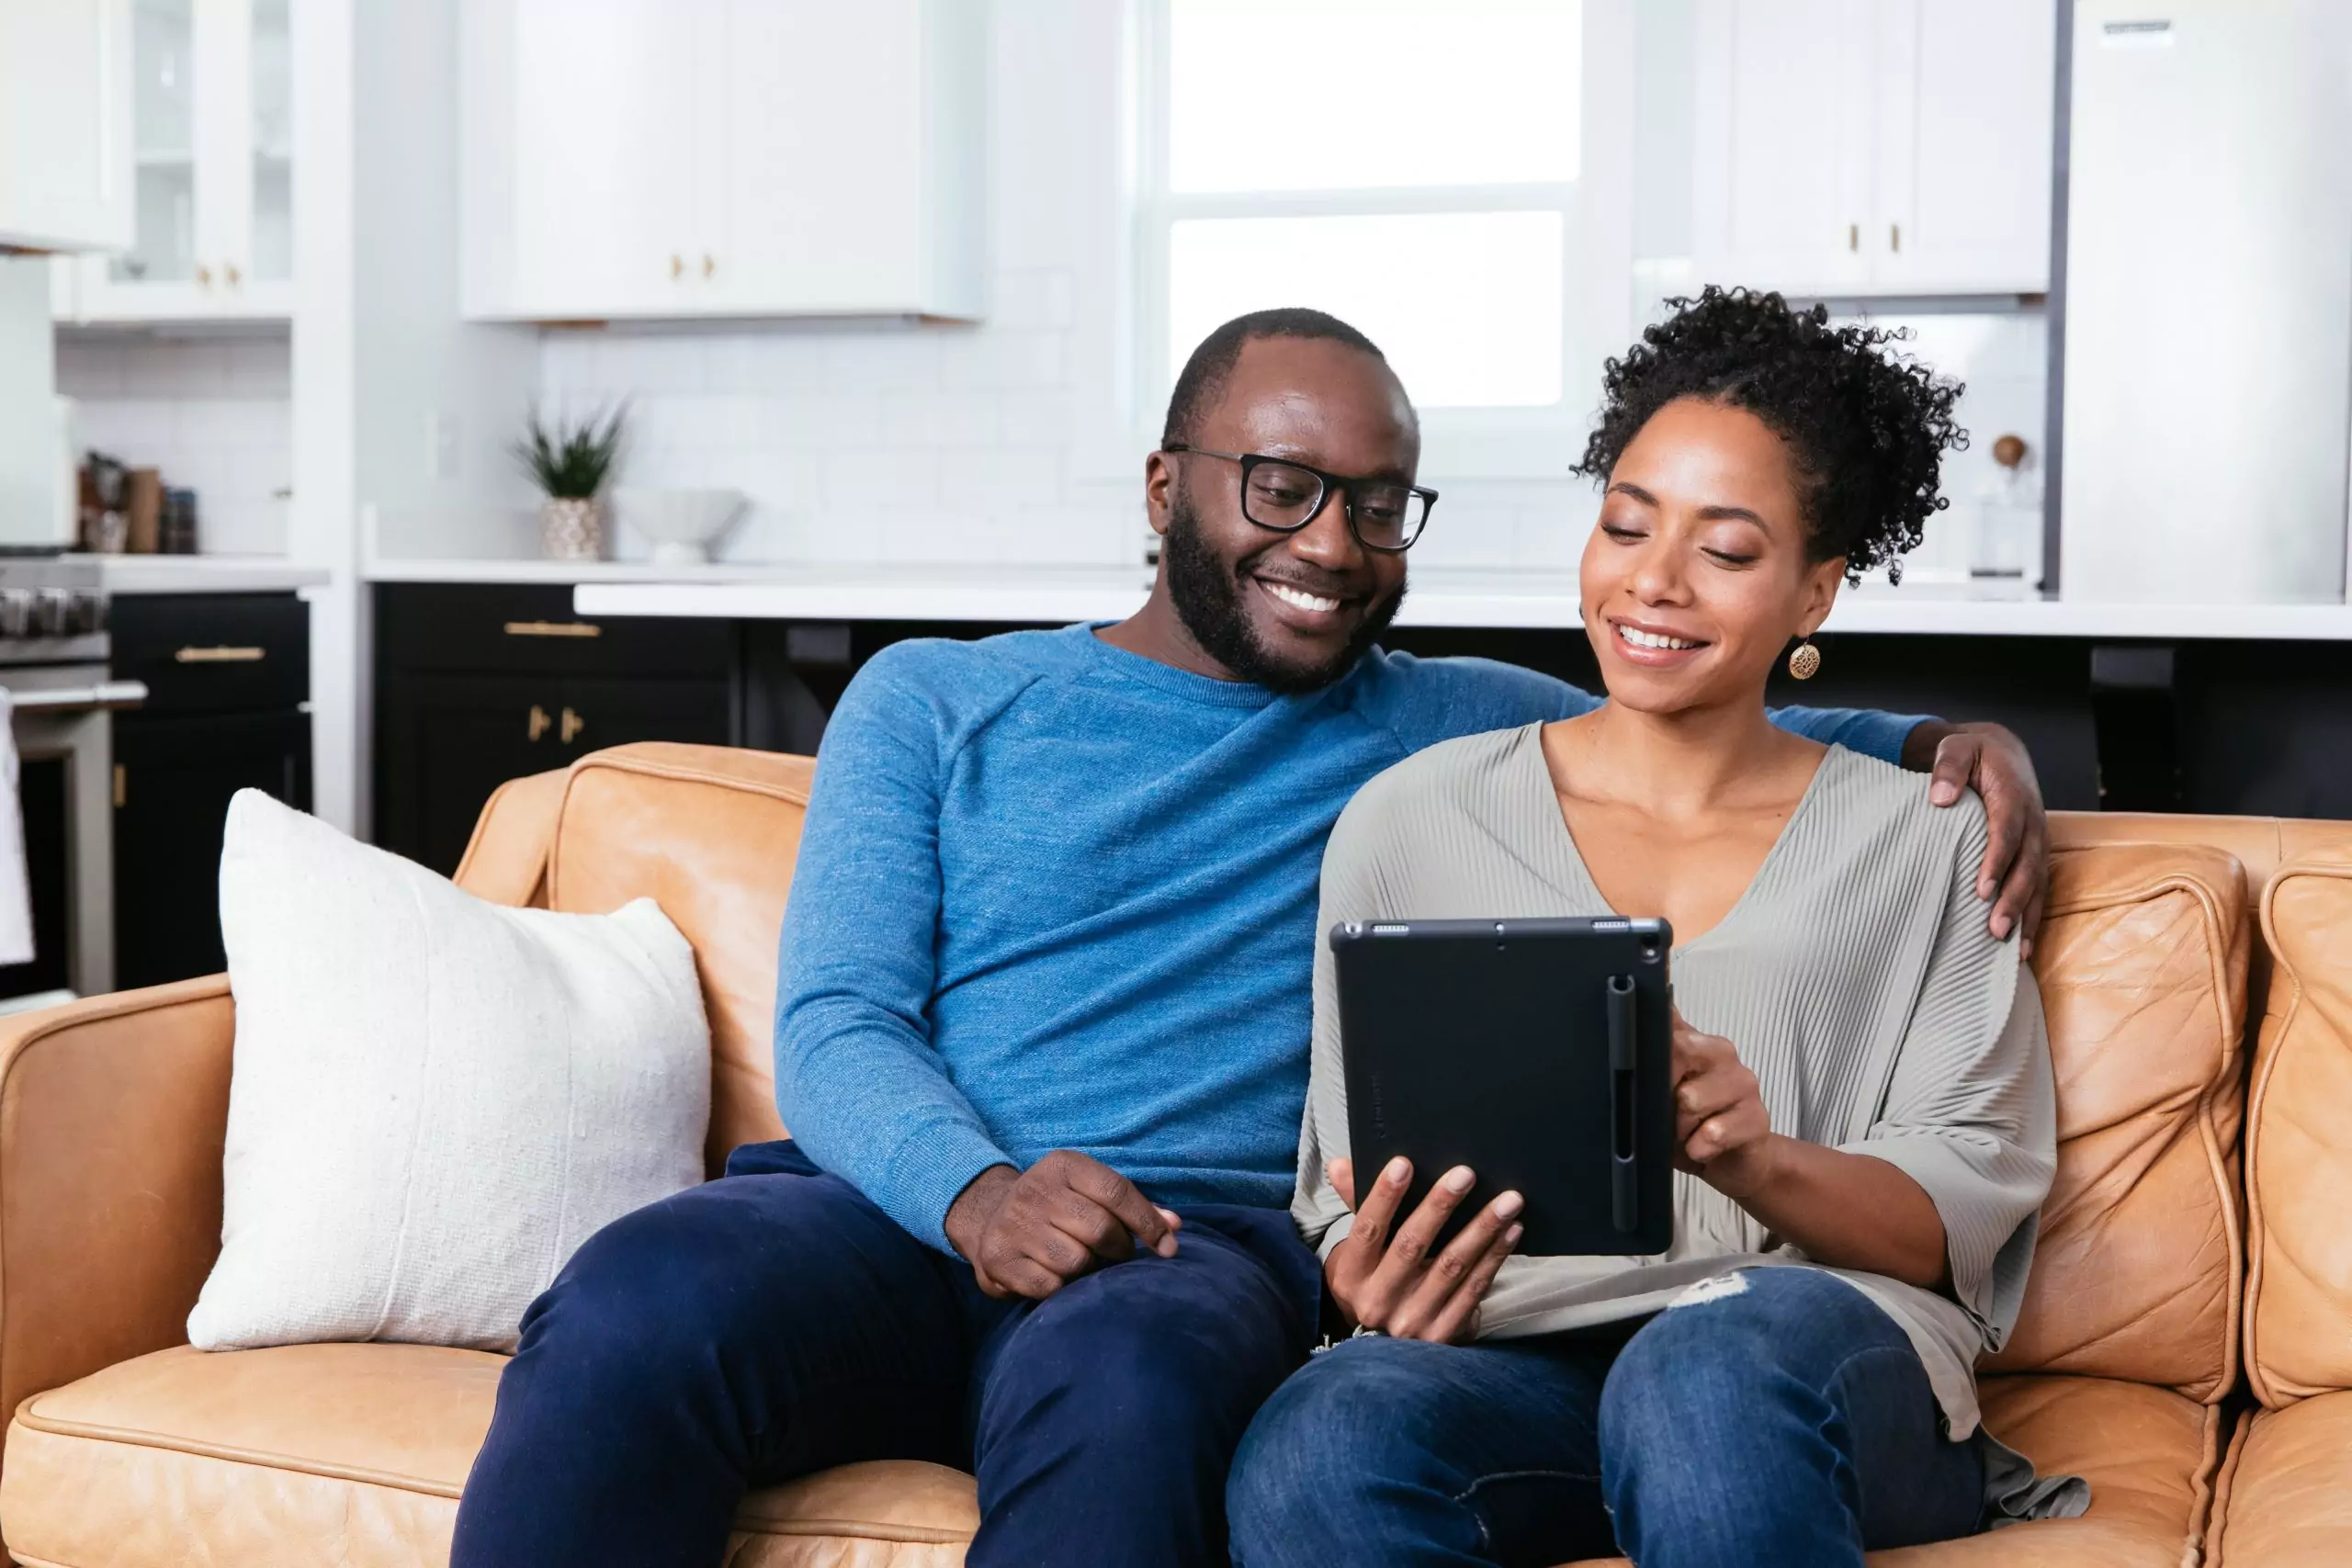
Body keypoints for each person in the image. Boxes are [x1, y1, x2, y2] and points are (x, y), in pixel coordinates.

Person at [449, 306, 2052, 1568]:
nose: (1332, 544)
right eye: (1280, 487)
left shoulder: (1434, 728)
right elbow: (843, 1021)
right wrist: (976, 1192)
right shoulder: (937, 698)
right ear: (1166, 489)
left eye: (1376, 505)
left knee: (1138, 1390)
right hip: (892, 1211)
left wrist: (1935, 739)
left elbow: (1698, 716)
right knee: (637, 1299)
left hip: (1192, 1244)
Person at [1224, 288, 2080, 1568]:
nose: (1654, 580)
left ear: (1815, 593)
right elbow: (1352, 1183)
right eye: (1626, 523)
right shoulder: (1407, 820)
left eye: (1727, 552)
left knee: (1703, 1372)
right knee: (1321, 1436)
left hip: (1812, 1350)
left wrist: (1749, 1154)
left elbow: (1953, 1220)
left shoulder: (1934, 841)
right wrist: (1368, 1272)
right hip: (1526, 1362)